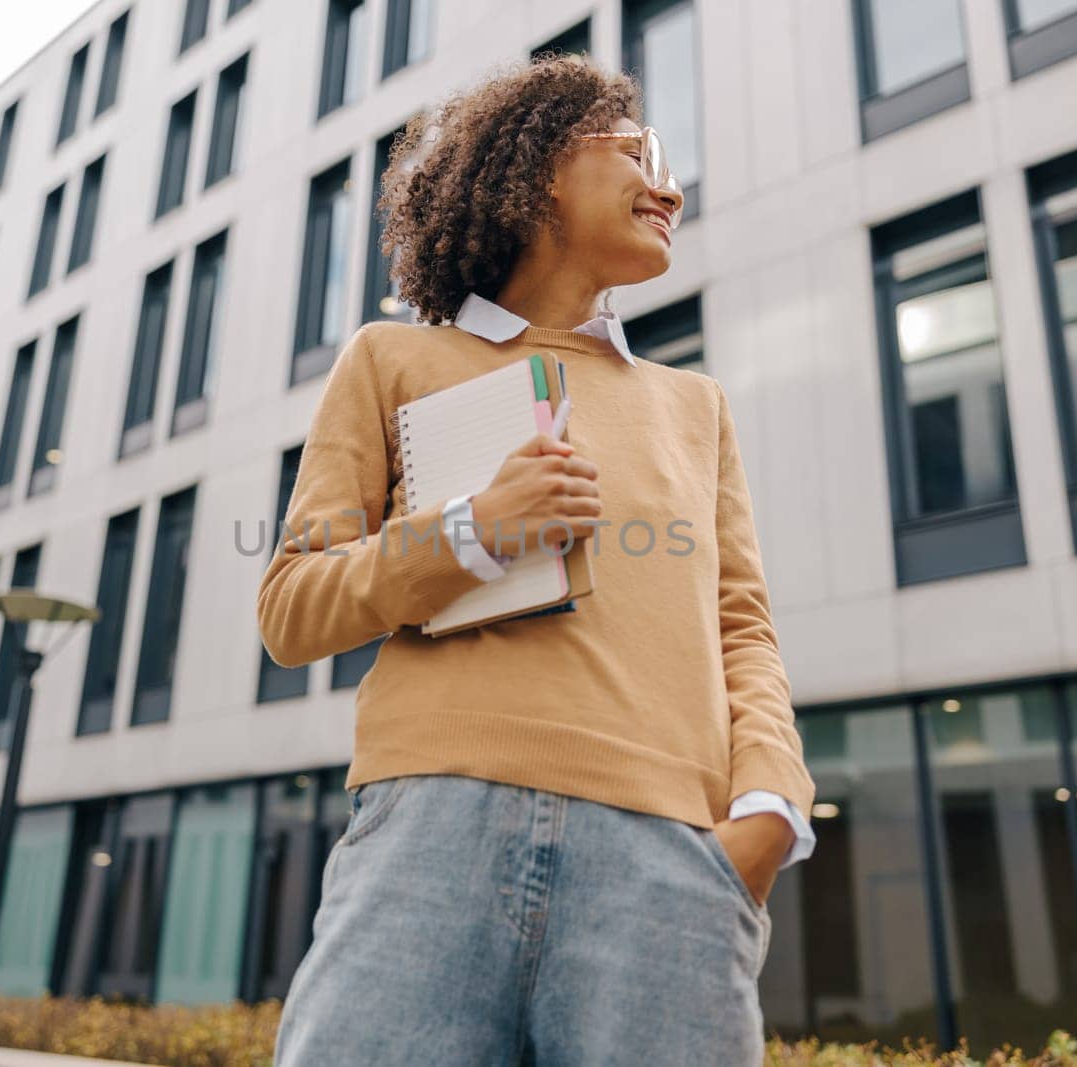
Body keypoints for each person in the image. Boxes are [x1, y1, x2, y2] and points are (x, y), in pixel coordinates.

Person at [256, 53, 815, 1065]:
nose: (671, 186)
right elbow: (292, 608)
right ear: (544, 165)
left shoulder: (696, 408)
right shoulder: (391, 361)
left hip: (670, 860)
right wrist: (472, 531)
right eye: (639, 152)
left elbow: (743, 625)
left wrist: (769, 808)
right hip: (431, 833)